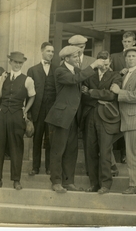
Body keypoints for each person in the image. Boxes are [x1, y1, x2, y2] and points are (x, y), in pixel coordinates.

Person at [45, 46, 105, 193]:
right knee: (58, 151)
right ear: (66, 59)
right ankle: (56, 182)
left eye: (78, 56)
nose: (78, 59)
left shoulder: (77, 71)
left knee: (71, 151)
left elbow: (81, 79)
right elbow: (74, 80)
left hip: (73, 118)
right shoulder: (60, 71)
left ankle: (68, 182)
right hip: (60, 118)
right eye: (75, 57)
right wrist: (93, 65)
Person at [0, 51, 36, 190]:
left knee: (16, 148)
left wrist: (25, 111)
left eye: (20, 62)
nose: (17, 65)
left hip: (16, 116)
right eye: (15, 62)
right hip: (1, 115)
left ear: (23, 64)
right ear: (10, 62)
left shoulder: (27, 80)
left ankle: (16, 180)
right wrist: (2, 81)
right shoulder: (2, 78)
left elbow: (32, 96)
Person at [81, 51, 123, 194]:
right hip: (89, 116)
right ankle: (94, 184)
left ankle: (105, 184)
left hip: (106, 118)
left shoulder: (116, 76)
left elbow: (112, 95)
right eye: (101, 62)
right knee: (90, 152)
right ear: (97, 61)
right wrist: (100, 94)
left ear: (110, 62)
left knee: (105, 151)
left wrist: (91, 92)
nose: (104, 65)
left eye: (106, 63)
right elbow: (82, 95)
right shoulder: (89, 75)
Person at [110, 46, 136, 195]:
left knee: (132, 153)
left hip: (133, 119)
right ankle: (113, 167)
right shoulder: (124, 73)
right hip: (119, 118)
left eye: (133, 56)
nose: (130, 58)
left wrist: (119, 92)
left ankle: (134, 185)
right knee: (105, 143)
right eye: (128, 56)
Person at [27, 42, 57, 176]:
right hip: (37, 111)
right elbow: (28, 93)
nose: (51, 53)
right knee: (37, 139)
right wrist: (28, 113)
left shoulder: (57, 69)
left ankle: (49, 167)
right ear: (42, 51)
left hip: (51, 111)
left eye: (52, 51)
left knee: (50, 140)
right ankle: (35, 167)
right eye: (48, 51)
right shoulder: (32, 70)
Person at [68, 34, 96, 175]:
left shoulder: (92, 61)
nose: (79, 50)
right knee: (72, 138)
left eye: (81, 47)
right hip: (72, 105)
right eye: (76, 47)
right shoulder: (66, 62)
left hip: (88, 104)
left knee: (89, 137)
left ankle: (90, 168)